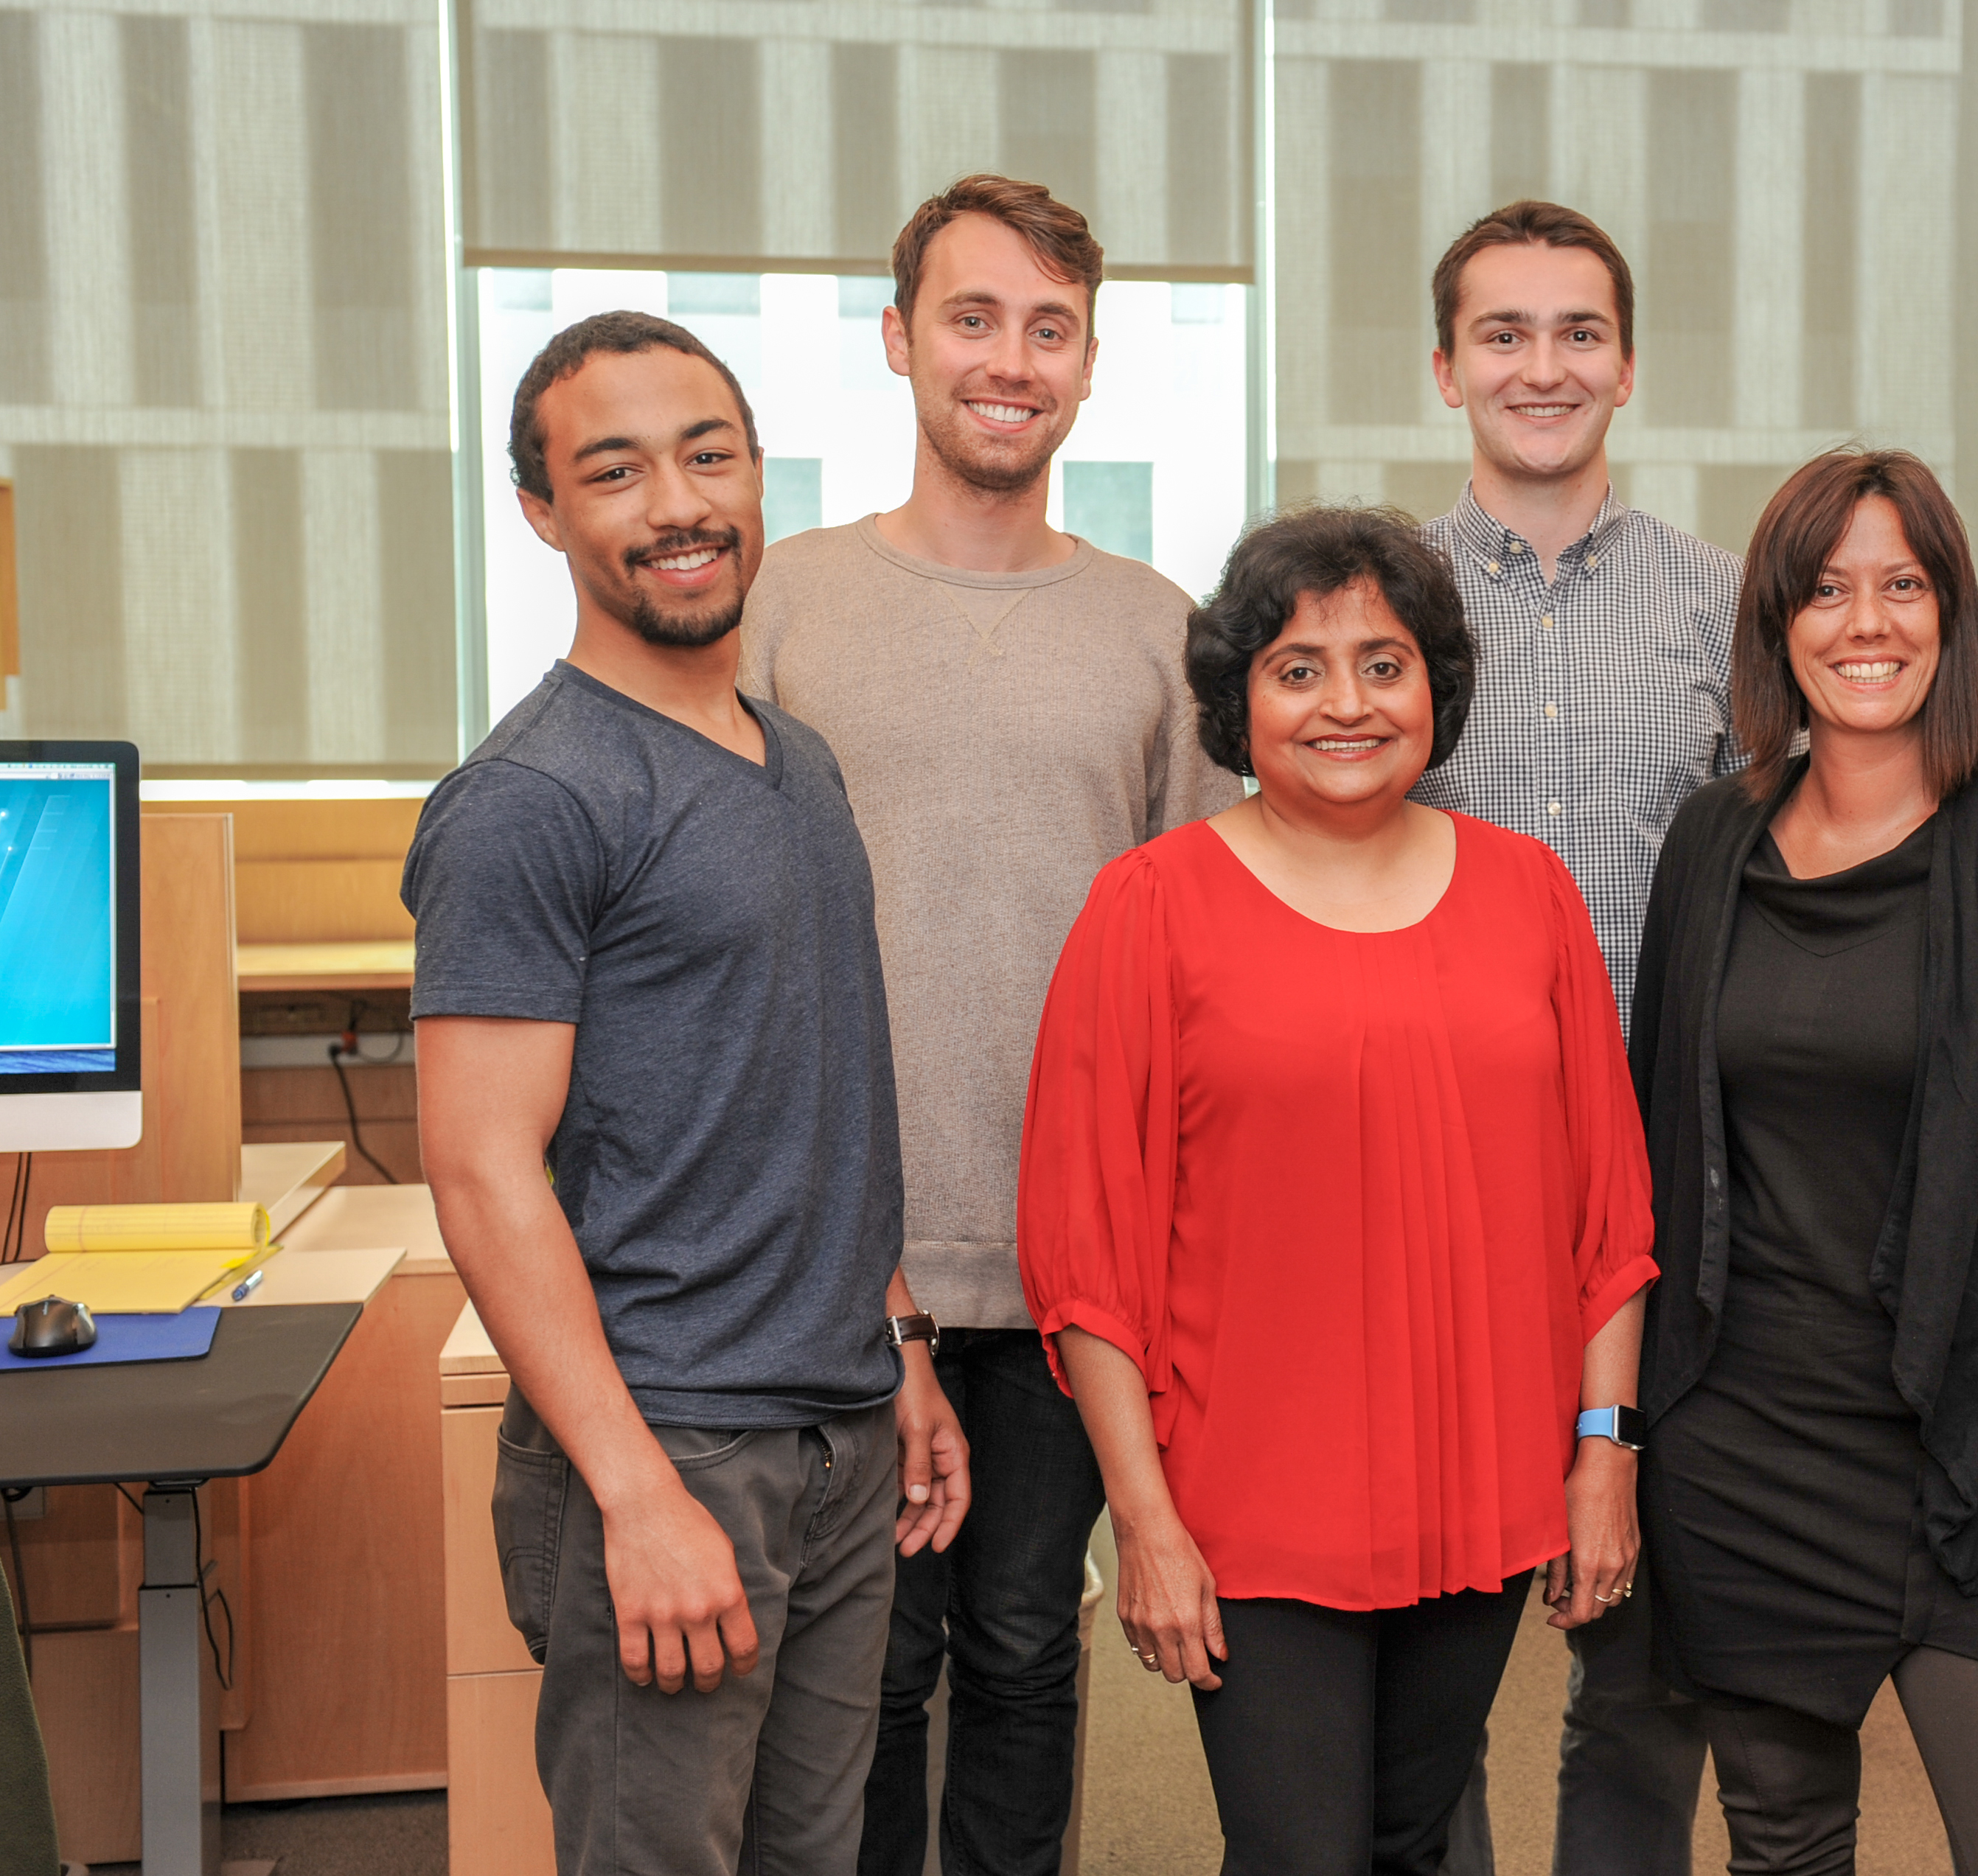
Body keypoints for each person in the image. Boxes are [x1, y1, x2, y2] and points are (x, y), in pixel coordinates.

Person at [1015, 503, 1658, 1876]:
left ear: (1436, 684)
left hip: (1481, 1489)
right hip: (1249, 1507)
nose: (1347, 702)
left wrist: (1605, 1450)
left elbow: (1607, 1215)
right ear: (1239, 701)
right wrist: (1143, 1521)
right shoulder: (1148, 905)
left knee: (1414, 1841)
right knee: (1302, 1855)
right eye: (1298, 668)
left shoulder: (1530, 893)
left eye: (1384, 660)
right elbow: (1087, 1260)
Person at [407, 312, 970, 1876]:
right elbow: (478, 1169)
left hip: (840, 1426)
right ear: (543, 514)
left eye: (705, 453)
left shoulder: (795, 760)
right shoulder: (530, 801)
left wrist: (901, 1340)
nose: (677, 502)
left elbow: (812, 1094)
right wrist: (633, 1489)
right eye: (615, 469)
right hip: (669, 1442)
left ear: (756, 477)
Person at [739, 175, 1243, 1876]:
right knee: (864, 1674)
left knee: (1026, 1652)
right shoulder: (781, 607)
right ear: (898, 342)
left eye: (1049, 328)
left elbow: (1202, 955)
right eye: (972, 319)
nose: (1008, 360)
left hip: (1069, 1267)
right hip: (834, 1254)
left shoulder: (1158, 631)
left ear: (1090, 364)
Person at [1631, 448, 1978, 1875]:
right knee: (1783, 1846)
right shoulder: (1710, 842)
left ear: (1947, 615)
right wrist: (1613, 1441)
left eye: (1902, 586)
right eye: (1825, 590)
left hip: (1973, 1448)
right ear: (1776, 624)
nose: (1865, 623)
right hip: (1741, 1445)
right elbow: (1651, 1169)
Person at [1413, 198, 1738, 1876]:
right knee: (1431, 1637)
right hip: (1432, 1192)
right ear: (1446, 365)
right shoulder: (1374, 601)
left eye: (1577, 334)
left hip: (1664, 1186)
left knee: (1641, 1645)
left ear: (1628, 365)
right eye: (1504, 333)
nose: (1542, 367)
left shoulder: (1725, 607)